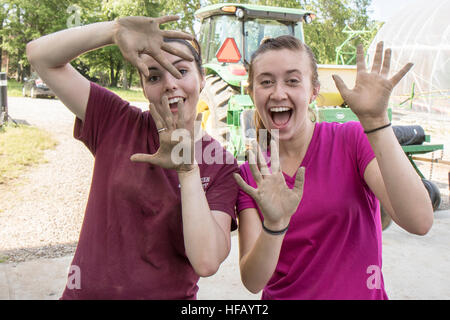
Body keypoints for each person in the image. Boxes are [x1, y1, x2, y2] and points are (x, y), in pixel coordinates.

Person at [26, 15, 239, 299]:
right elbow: (40, 56)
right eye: (154, 75)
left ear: (202, 80)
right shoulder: (115, 121)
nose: (169, 84)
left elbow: (206, 261)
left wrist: (188, 170)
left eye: (181, 71)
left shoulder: (221, 163)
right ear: (142, 86)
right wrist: (114, 31)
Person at [234, 35, 433, 300]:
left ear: (314, 90)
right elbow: (252, 281)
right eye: (266, 82)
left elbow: (419, 221)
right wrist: (274, 225)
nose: (278, 93)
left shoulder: (350, 140)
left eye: (293, 81)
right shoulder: (253, 173)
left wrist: (376, 121)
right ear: (252, 92)